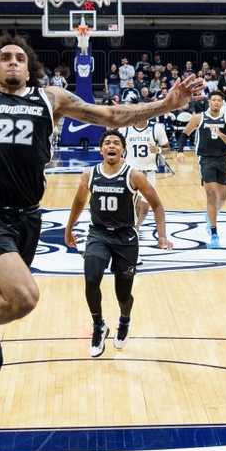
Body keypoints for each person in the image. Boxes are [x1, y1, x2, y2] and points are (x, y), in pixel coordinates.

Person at [0, 0, 203, 388]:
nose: (12, 62)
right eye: (4, 58)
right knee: (23, 298)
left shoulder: (51, 99)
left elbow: (112, 116)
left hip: (28, 217)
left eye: (19, 58)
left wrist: (165, 105)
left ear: (29, 68)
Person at [65, 130, 172, 357]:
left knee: (122, 294)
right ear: (101, 149)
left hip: (125, 238)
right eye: (107, 143)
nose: (111, 145)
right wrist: (69, 228)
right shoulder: (89, 174)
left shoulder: (134, 175)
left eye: (116, 143)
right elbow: (78, 202)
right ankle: (98, 326)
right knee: (92, 278)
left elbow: (157, 205)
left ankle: (124, 320)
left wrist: (162, 235)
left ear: (123, 150)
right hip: (98, 235)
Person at [177, 90, 226, 248]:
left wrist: (221, 135)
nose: (216, 102)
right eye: (214, 100)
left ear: (222, 103)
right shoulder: (198, 118)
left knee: (223, 197)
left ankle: (210, 216)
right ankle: (214, 233)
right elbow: (184, 134)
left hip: (222, 159)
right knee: (211, 194)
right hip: (205, 159)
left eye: (219, 100)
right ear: (209, 102)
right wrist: (180, 151)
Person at [123, 116, 171, 232]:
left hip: (148, 172)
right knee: (131, 203)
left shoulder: (157, 128)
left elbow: (168, 149)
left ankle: (136, 228)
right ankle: (128, 226)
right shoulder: (125, 129)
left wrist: (158, 150)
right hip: (131, 172)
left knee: (144, 206)